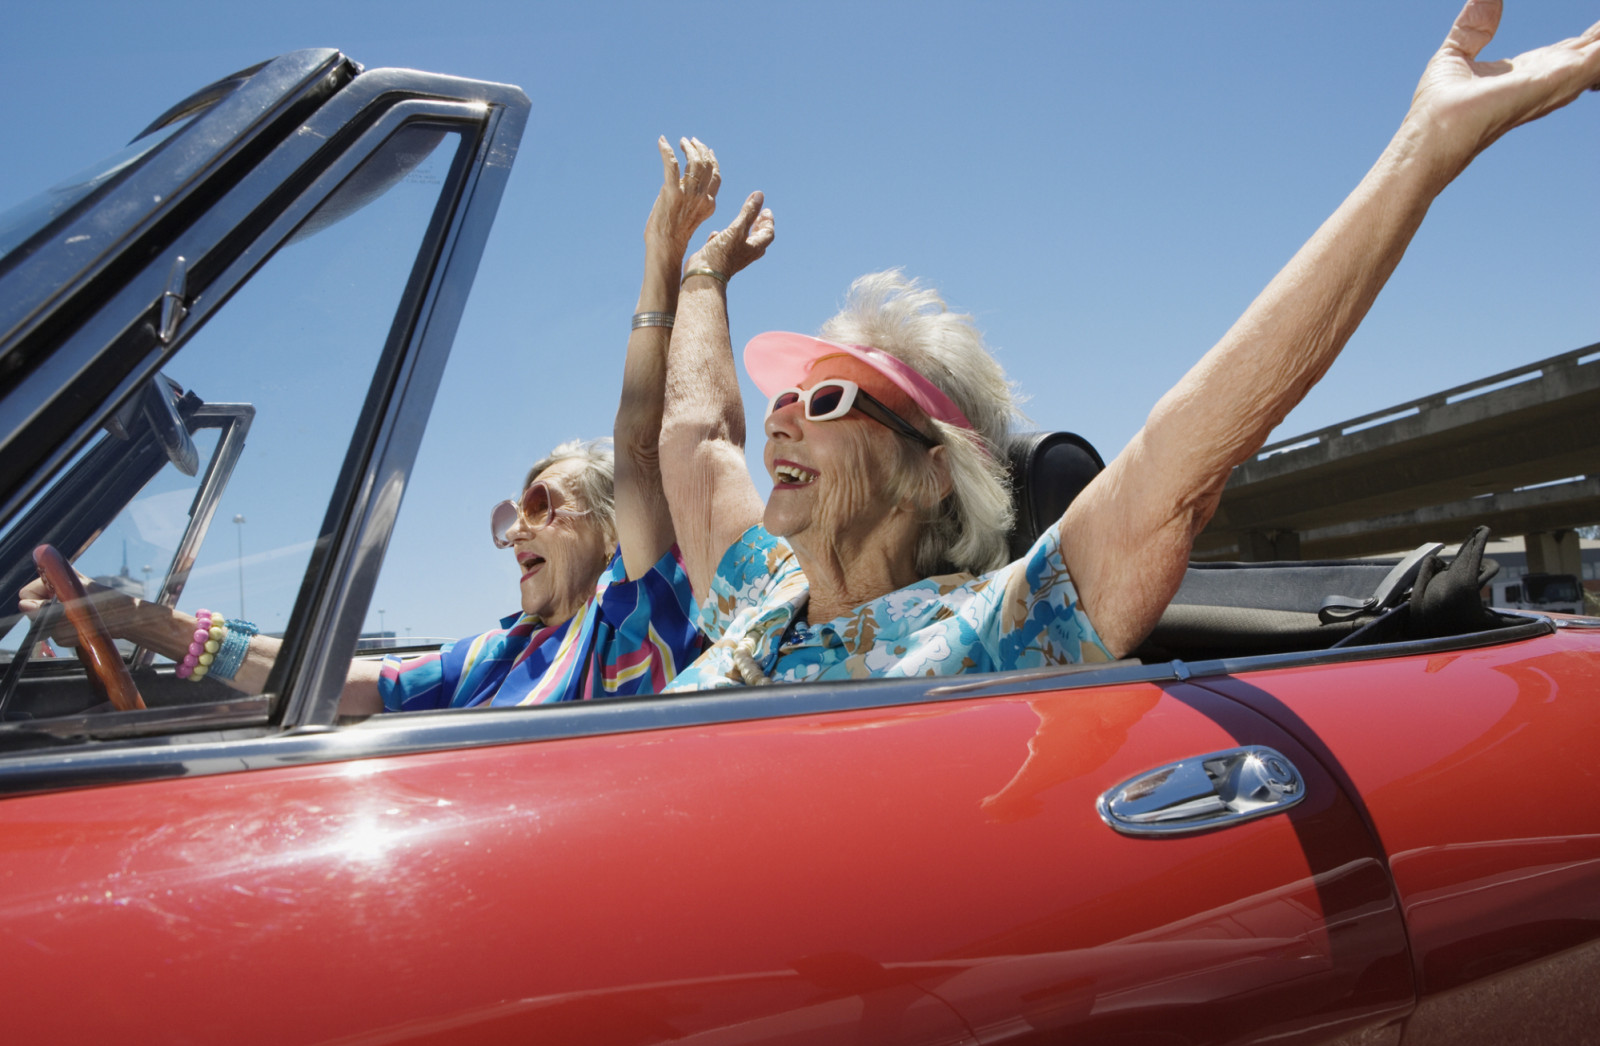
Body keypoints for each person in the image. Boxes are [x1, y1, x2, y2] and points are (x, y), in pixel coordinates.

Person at [656, 0, 1600, 689]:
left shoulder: (994, 632)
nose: (780, 411)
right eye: (788, 395)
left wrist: (1422, 153)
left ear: (931, 474)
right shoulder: (759, 585)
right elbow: (696, 436)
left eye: (828, 400)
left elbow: (1176, 461)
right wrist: (701, 275)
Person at [22, 137, 725, 713]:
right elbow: (357, 686)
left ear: (614, 530)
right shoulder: (502, 650)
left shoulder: (634, 613)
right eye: (513, 511)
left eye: (542, 507)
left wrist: (663, 260)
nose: (515, 529)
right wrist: (144, 621)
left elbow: (638, 444)